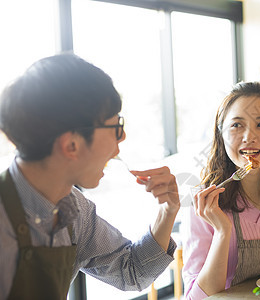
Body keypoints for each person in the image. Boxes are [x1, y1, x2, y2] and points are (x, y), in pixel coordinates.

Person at [0, 53, 180, 300]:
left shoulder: (73, 209)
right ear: (72, 144)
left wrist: (167, 211)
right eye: (116, 127)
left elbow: (132, 271)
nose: (123, 137)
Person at [182, 81, 260, 299]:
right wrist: (223, 231)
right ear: (221, 135)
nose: (249, 137)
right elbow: (195, 297)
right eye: (236, 125)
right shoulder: (205, 201)